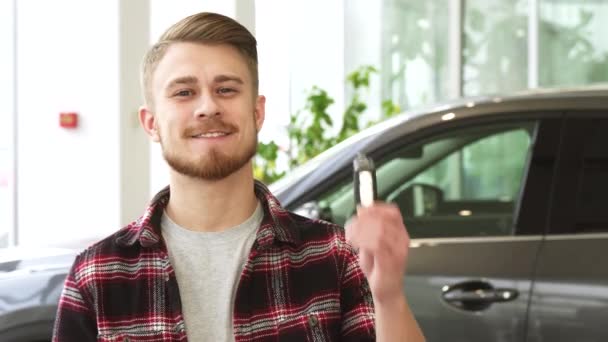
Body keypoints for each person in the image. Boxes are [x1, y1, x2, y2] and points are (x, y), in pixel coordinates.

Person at [52, 12, 425, 342]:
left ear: (257, 112)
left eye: (226, 89)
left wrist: (389, 296)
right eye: (184, 92)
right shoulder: (97, 276)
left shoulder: (330, 255)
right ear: (151, 123)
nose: (208, 106)